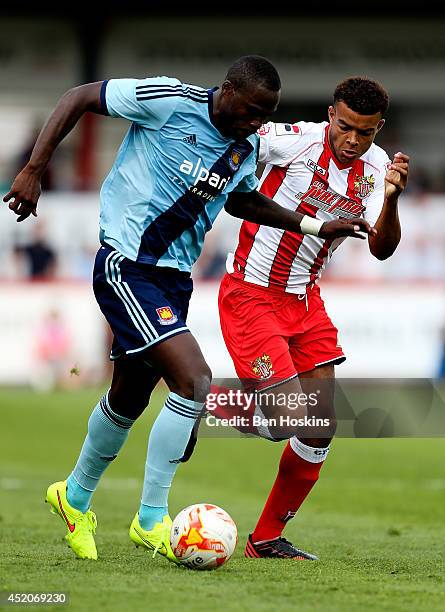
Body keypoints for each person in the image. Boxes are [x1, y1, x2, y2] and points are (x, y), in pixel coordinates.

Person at [3, 57, 373, 562]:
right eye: (251, 111)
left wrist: (311, 226)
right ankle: (152, 518)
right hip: (126, 263)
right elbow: (81, 96)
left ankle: (74, 497)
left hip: (175, 280)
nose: (257, 124)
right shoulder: (171, 101)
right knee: (193, 379)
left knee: (128, 397)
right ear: (227, 91)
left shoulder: (243, 147)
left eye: (266, 116)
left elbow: (243, 202)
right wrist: (32, 169)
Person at [217, 77, 410, 559]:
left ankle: (265, 539)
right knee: (287, 421)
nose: (351, 140)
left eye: (364, 133)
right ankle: (204, 402)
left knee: (319, 426)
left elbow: (382, 250)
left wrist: (392, 199)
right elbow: (231, 156)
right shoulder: (290, 140)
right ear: (330, 115)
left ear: (377, 129)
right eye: (344, 127)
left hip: (306, 301)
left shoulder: (378, 167)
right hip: (251, 294)